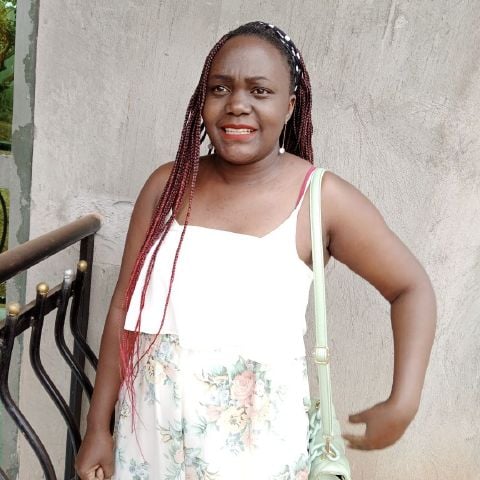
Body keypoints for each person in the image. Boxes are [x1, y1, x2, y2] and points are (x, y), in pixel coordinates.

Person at [75, 21, 436, 480]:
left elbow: (410, 288)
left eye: (260, 91)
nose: (237, 104)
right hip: (148, 444)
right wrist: (98, 426)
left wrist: (404, 401)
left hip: (256, 456)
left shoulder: (320, 199)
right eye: (220, 88)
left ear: (289, 106)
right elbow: (123, 309)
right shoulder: (167, 186)